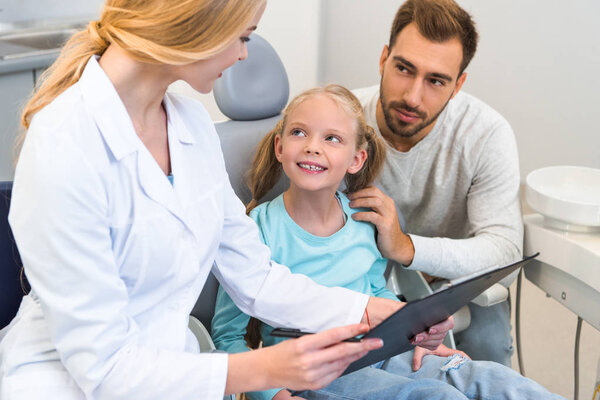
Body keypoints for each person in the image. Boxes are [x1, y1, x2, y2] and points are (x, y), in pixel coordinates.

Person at [0, 1, 454, 399]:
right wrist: (266, 368)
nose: (242, 54)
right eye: (242, 37)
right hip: (66, 385)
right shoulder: (65, 142)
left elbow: (256, 278)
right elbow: (104, 369)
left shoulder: (189, 125)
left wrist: (378, 311)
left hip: (176, 372)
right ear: (196, 21)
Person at [212, 85, 564, 400]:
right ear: (279, 146)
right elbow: (227, 338)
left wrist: (419, 332)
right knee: (438, 396)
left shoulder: (363, 221)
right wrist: (274, 394)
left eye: (331, 138)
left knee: (496, 380)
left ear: (356, 159)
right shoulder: (255, 231)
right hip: (318, 373)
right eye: (299, 132)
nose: (312, 147)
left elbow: (376, 295)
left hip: (384, 354)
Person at [350, 0, 523, 367]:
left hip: (451, 284)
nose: (413, 97)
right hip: (358, 283)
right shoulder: (343, 121)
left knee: (487, 350)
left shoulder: (486, 134)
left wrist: (407, 248)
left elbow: (506, 249)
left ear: (458, 84)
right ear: (383, 59)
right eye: (403, 69)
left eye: (436, 81)